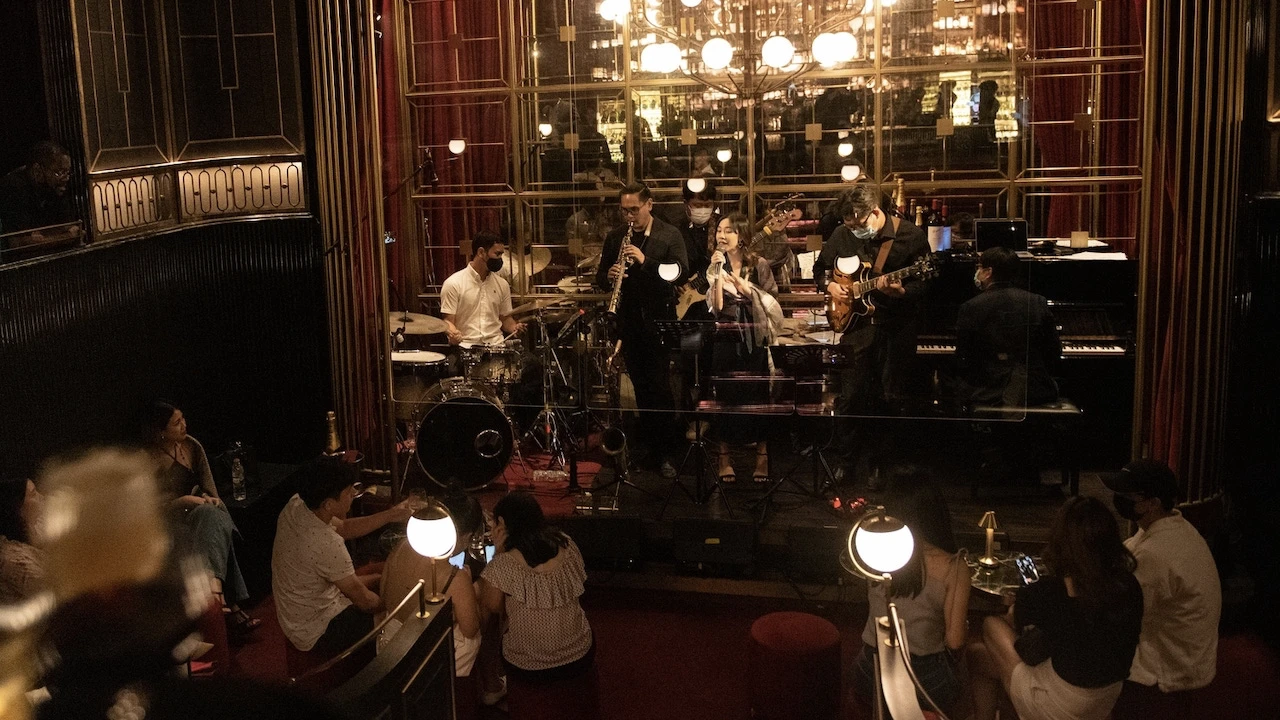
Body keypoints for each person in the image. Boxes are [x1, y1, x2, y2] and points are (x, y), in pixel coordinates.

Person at [969, 496, 1143, 720]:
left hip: (1065, 702)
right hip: (1107, 697)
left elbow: (1021, 636)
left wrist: (1016, 607)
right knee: (978, 656)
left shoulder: (1051, 592)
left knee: (991, 625)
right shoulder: (1129, 586)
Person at [812, 185, 930, 486]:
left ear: (875, 212)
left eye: (859, 225)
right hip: (856, 328)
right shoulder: (842, 234)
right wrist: (830, 286)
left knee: (887, 398)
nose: (854, 231)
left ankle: (880, 465)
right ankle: (846, 462)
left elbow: (926, 282)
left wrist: (902, 290)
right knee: (850, 397)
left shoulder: (910, 237)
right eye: (849, 226)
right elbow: (820, 269)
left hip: (895, 327)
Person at [1103, 459, 1222, 718]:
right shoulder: (1172, 528)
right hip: (1178, 657)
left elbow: (1118, 615)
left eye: (1127, 496)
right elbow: (1125, 555)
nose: (1119, 499)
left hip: (1163, 675)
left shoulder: (1156, 554)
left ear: (1153, 502)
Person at [852, 472, 970, 716]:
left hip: (870, 670)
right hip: (924, 679)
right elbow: (955, 641)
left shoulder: (872, 550)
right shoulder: (954, 566)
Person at [271, 456, 412, 655]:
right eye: (349, 492)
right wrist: (397, 602)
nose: (354, 494)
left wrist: (392, 514)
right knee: (395, 619)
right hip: (315, 628)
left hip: (301, 604)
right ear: (329, 504)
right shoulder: (325, 543)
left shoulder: (297, 504)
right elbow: (365, 601)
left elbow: (344, 527)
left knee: (384, 575)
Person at [595, 181, 689, 478]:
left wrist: (646, 261)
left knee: (661, 388)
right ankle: (648, 449)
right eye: (625, 210)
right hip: (629, 324)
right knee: (640, 390)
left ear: (650, 204)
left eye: (634, 209)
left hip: (659, 322)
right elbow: (600, 277)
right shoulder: (615, 238)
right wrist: (608, 275)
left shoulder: (668, 234)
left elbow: (679, 272)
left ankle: (667, 452)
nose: (629, 216)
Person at [141, 401, 259, 638]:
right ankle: (226, 602)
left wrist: (210, 498)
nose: (184, 425)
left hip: (200, 509)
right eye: (176, 422)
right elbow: (150, 511)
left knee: (213, 517)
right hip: (173, 521)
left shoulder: (191, 446)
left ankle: (218, 597)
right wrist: (185, 501)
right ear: (161, 431)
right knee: (213, 523)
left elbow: (207, 484)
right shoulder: (149, 460)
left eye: (183, 418)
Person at [478, 491, 596, 717]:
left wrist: (497, 553)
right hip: (580, 653)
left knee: (495, 625)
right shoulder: (567, 543)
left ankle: (492, 685)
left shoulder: (504, 564)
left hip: (529, 667)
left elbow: (492, 605)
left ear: (502, 524)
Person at [704, 213, 778, 483]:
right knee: (724, 396)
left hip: (754, 335)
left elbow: (772, 299)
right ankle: (724, 460)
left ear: (742, 236)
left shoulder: (759, 264)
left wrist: (745, 288)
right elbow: (717, 308)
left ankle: (762, 457)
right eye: (719, 231)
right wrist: (715, 277)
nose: (721, 236)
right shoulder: (716, 266)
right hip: (725, 335)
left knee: (757, 397)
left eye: (728, 231)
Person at [378, 491, 483, 678]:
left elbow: (384, 595)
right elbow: (470, 629)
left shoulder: (401, 546)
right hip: (426, 656)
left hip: (389, 644)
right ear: (466, 536)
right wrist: (473, 592)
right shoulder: (456, 577)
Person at [955, 246, 1061, 409]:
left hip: (987, 391)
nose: (977, 272)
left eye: (979, 268)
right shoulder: (1037, 301)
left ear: (988, 272)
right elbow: (1053, 352)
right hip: (1033, 390)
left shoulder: (971, 306)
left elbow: (963, 359)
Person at [441, 231, 525, 348]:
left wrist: (514, 327)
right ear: (481, 252)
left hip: (497, 347)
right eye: (497, 254)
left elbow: (505, 318)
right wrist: (453, 334)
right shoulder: (453, 283)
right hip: (466, 347)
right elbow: (448, 321)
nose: (501, 259)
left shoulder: (502, 284)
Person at [0, 141, 75, 237]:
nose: (66, 178)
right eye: (60, 172)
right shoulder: (13, 187)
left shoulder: (56, 188)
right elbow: (18, 242)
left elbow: (68, 226)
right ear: (37, 170)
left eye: (67, 172)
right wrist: (64, 236)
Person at [0, 477, 44, 604]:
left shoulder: (31, 531)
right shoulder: (14, 560)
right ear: (17, 507)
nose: (41, 497)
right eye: (33, 494)